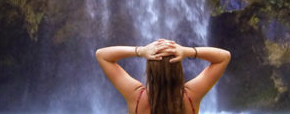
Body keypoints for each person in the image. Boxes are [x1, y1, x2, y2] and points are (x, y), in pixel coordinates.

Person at [96, 39, 230, 114]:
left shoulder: (136, 97)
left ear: (150, 70)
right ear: (178, 69)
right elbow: (224, 57)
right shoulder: (191, 97)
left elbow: (102, 55)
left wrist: (140, 51)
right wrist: (187, 51)